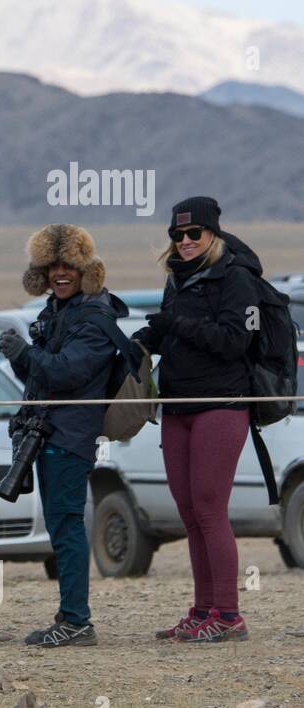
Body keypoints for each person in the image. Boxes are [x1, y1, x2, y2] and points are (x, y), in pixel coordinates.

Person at [131, 198, 256, 643]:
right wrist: (142, 338)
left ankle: (229, 614)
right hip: (178, 406)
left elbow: (234, 341)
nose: (184, 243)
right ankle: (203, 610)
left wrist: (176, 323)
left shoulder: (236, 277)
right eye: (177, 235)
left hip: (220, 405)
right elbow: (169, 331)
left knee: (209, 508)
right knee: (188, 513)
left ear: (213, 234)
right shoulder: (178, 279)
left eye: (193, 234)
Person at [0, 224, 127, 648]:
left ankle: (76, 622)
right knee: (60, 525)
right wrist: (22, 356)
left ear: (84, 268)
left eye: (68, 264)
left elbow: (66, 373)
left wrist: (24, 352)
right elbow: (39, 375)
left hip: (69, 436)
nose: (59, 273)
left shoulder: (94, 317)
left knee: (67, 525)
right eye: (51, 266)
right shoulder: (57, 311)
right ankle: (70, 617)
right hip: (49, 431)